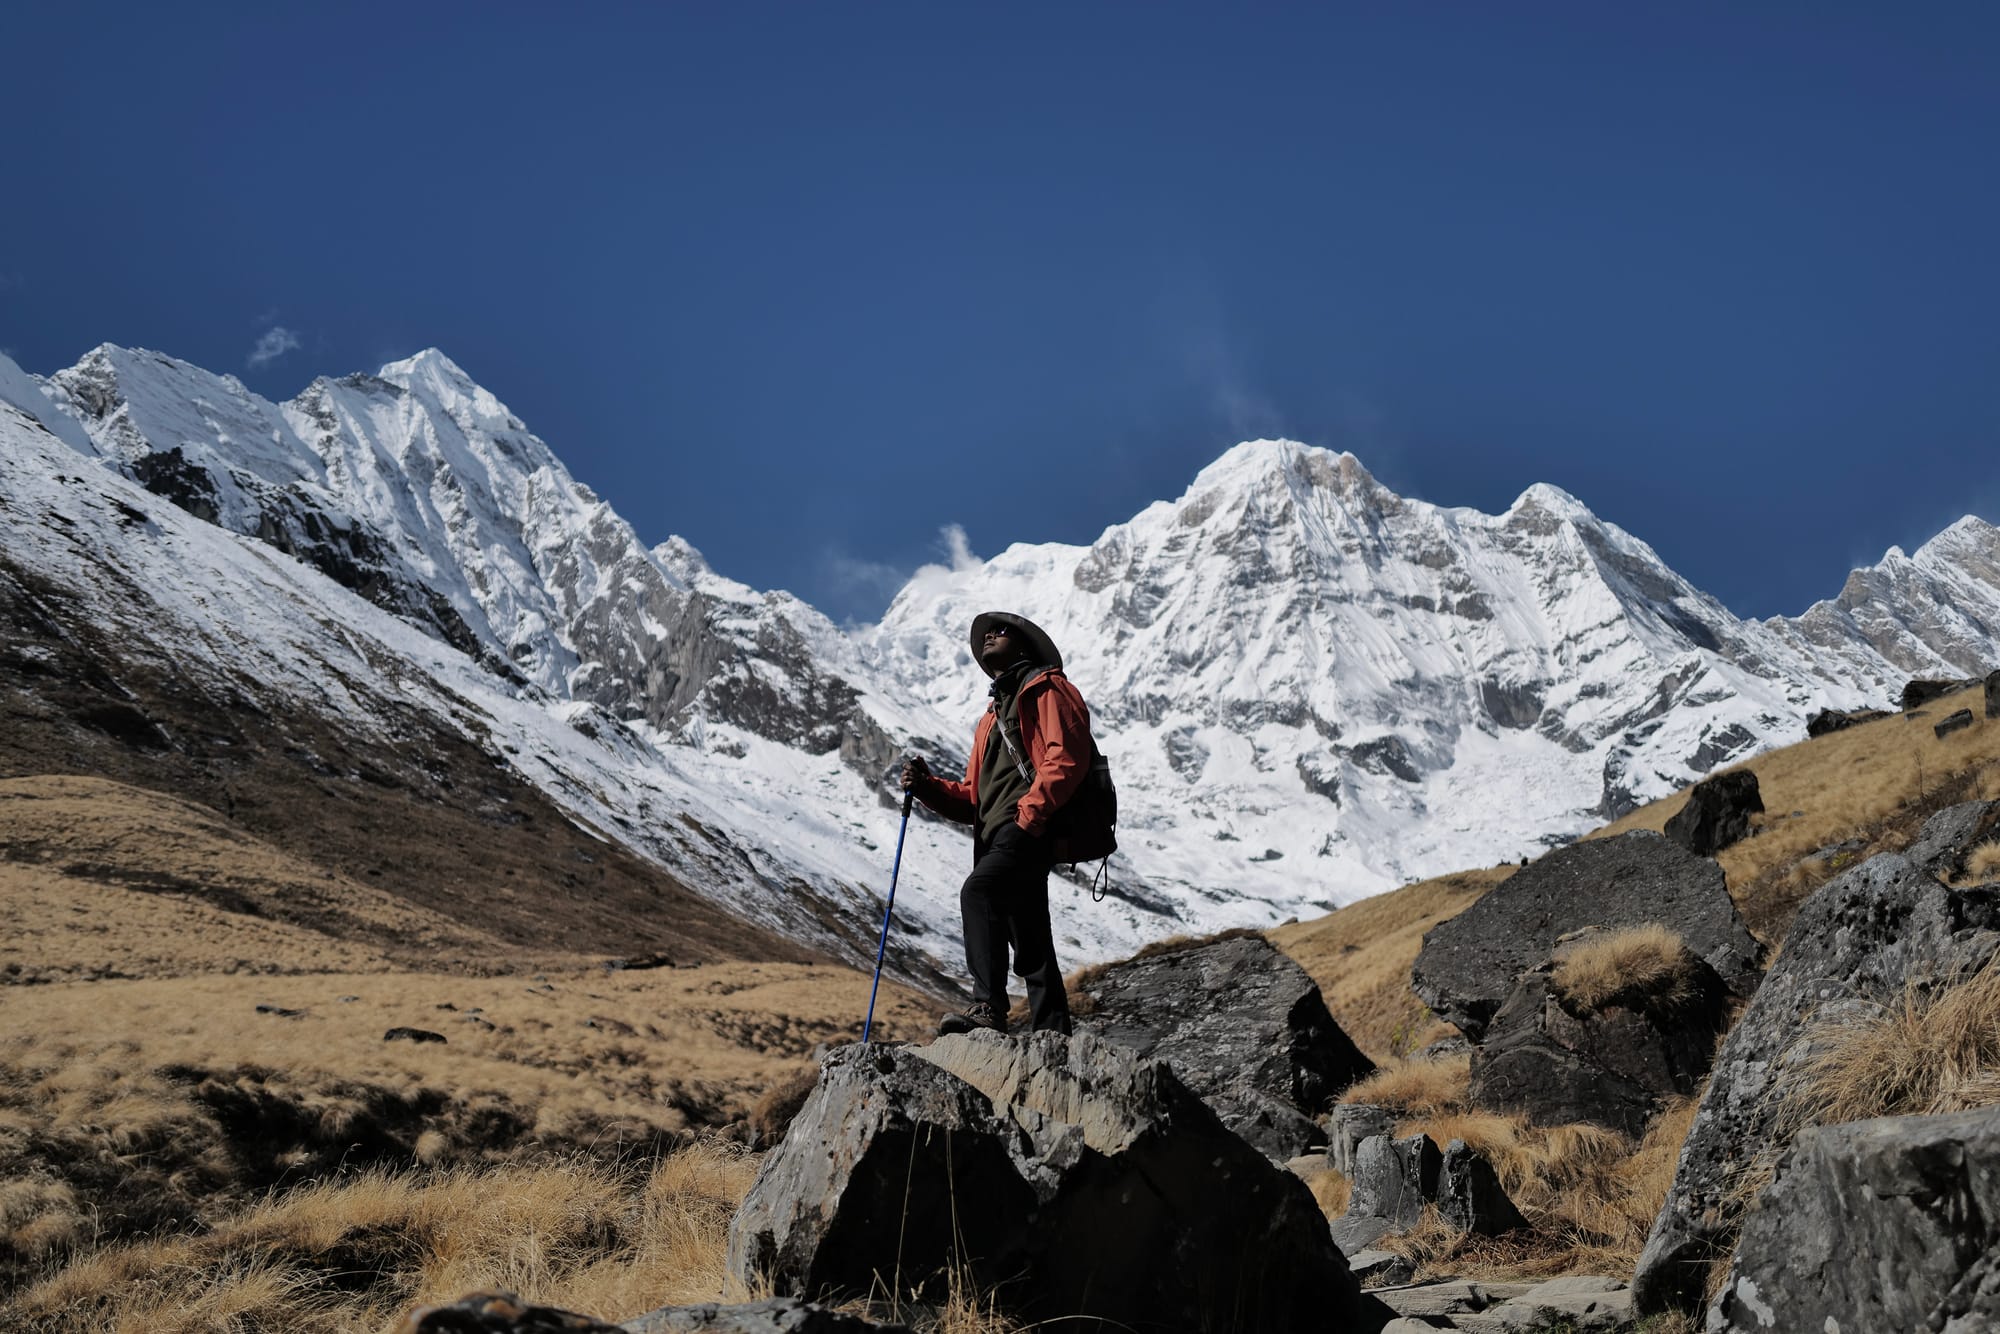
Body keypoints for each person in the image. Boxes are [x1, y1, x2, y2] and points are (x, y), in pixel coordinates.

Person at [901, 611, 1090, 1035]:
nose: (988, 636)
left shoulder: (1048, 689)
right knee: (1030, 938)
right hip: (998, 833)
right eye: (985, 634)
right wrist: (927, 787)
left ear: (1024, 646)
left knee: (979, 891)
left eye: (1000, 631)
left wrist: (1029, 817)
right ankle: (1053, 1033)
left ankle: (987, 1006)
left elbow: (1065, 758)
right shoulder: (990, 719)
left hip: (1024, 826)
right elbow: (974, 796)